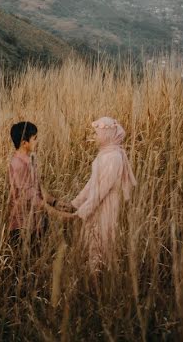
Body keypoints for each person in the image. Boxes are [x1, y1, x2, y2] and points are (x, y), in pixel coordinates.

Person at [70, 116, 137, 271]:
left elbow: (101, 190)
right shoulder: (105, 153)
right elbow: (92, 183)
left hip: (105, 208)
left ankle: (99, 286)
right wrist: (76, 202)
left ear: (106, 135)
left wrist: (83, 211)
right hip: (97, 206)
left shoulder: (113, 157)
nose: (94, 137)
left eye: (96, 133)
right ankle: (94, 281)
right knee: (93, 244)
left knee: (100, 245)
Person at [7, 121, 74, 257]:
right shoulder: (18, 164)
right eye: (35, 139)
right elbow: (32, 199)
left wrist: (56, 203)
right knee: (23, 270)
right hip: (23, 226)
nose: (37, 142)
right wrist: (59, 215)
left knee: (36, 263)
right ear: (24, 143)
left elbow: (39, 190)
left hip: (36, 223)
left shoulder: (30, 160)